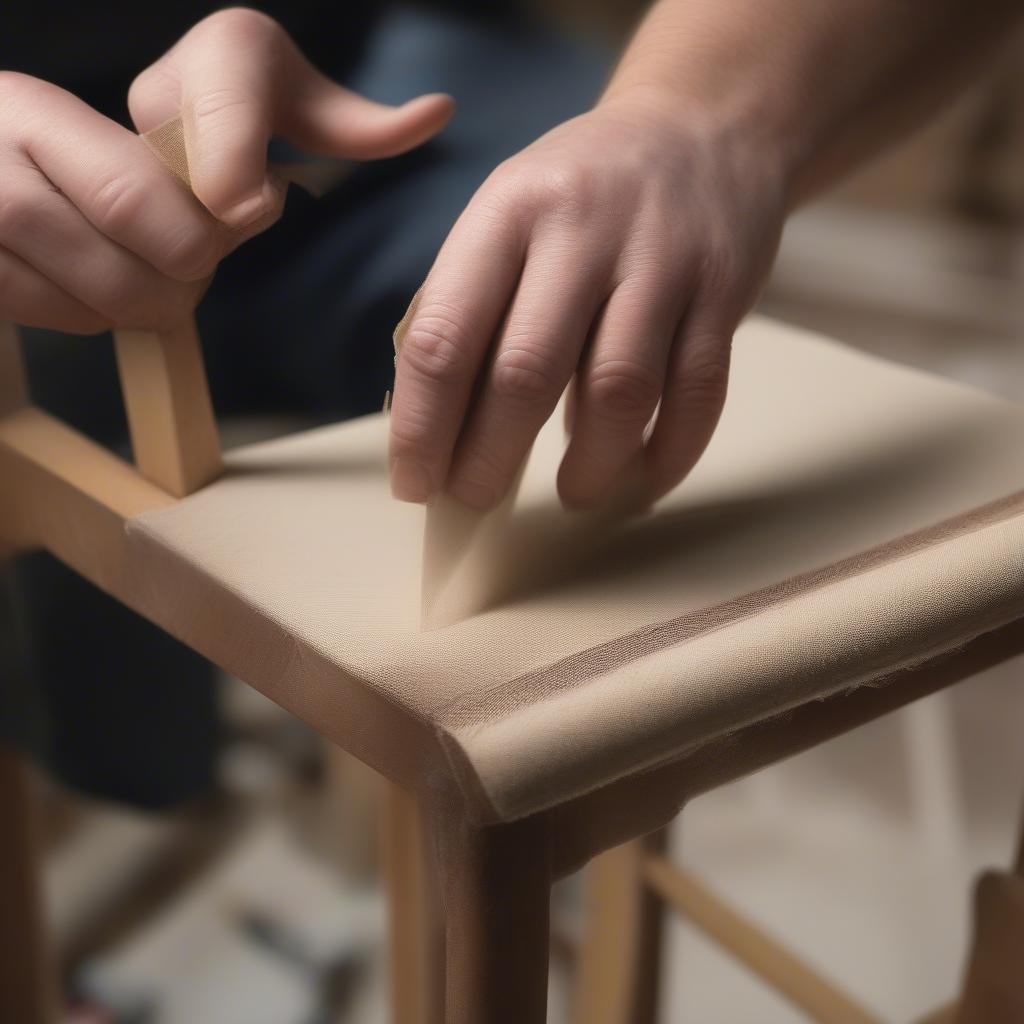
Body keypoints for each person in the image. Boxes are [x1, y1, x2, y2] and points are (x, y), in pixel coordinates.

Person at [1, 1, 1021, 806]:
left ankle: (490, 803)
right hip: (37, 166)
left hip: (365, 58)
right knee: (105, 685)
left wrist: (702, 120)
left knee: (604, 258)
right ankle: (129, 782)